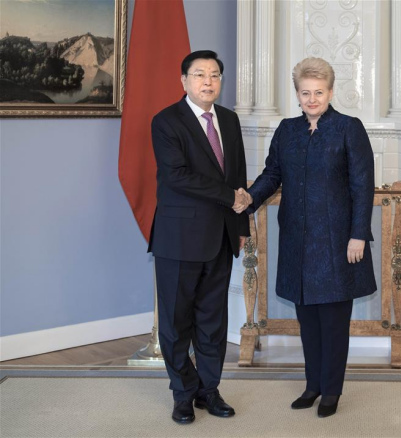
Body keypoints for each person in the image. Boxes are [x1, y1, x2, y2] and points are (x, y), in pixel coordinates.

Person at [238, 57, 376, 418]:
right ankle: (312, 385)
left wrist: (358, 235)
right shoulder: (287, 130)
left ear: (330, 92)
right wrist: (250, 198)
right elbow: (272, 175)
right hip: (297, 243)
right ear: (297, 94)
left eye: (319, 92)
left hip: (337, 244)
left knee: (332, 322)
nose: (312, 99)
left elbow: (363, 187)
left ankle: (331, 392)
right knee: (308, 323)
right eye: (305, 93)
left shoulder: (349, 128)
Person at [149, 50, 250, 425]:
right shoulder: (166, 121)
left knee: (213, 322)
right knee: (177, 324)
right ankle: (183, 393)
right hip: (178, 239)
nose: (208, 81)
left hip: (221, 237)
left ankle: (210, 390)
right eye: (200, 74)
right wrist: (231, 197)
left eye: (215, 75)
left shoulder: (229, 119)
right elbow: (176, 176)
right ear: (184, 81)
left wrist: (240, 227)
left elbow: (237, 174)